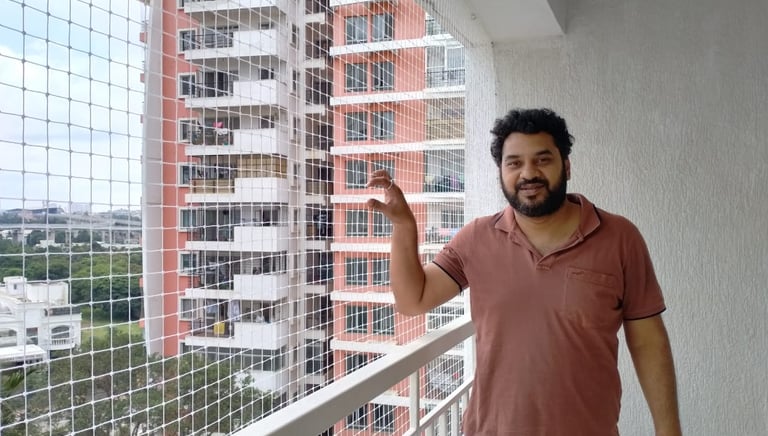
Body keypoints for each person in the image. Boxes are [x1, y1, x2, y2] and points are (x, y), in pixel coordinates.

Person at [366, 108, 682, 436]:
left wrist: (669, 430)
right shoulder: (477, 238)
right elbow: (412, 300)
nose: (528, 173)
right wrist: (404, 226)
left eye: (542, 160)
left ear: (567, 166)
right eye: (514, 163)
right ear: (501, 172)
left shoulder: (619, 237)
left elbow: (648, 340)